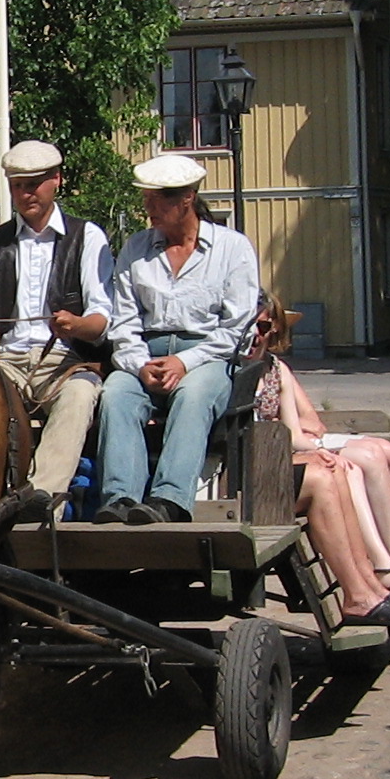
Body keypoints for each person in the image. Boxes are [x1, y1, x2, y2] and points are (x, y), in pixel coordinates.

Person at [252, 296, 390, 624]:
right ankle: (365, 587)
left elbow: (295, 430)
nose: (256, 335)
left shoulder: (274, 369)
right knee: (328, 477)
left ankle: (370, 580)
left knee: (338, 468)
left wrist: (315, 450)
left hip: (269, 457)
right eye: (247, 327)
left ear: (274, 329)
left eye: (264, 327)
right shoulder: (226, 370)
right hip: (246, 471)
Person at [95, 153, 260, 524]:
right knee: (115, 394)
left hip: (206, 354)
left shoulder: (232, 248)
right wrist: (139, 364)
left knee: (194, 395)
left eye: (157, 198)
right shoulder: (137, 249)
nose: (148, 207)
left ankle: (169, 499)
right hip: (146, 351)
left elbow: (237, 326)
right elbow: (124, 321)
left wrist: (185, 362)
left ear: (186, 198)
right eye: (146, 198)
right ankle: (119, 497)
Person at [0, 138, 112, 505]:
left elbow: (103, 320)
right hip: (5, 362)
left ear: (56, 180)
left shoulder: (87, 238)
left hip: (64, 362)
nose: (26, 194)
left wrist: (76, 325)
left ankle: (42, 497)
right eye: (17, 186)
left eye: (34, 184)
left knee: (79, 394)